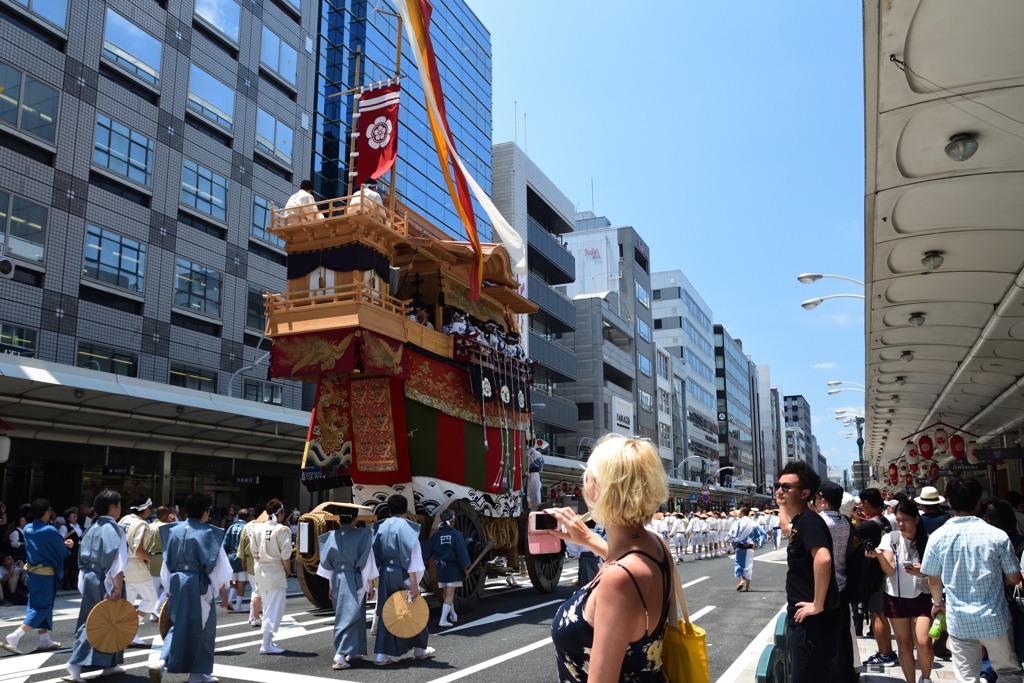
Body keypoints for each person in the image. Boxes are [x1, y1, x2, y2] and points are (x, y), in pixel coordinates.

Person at [544, 434, 672, 682]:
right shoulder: (657, 546)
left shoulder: (618, 581)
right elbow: (627, 564)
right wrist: (588, 539)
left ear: (597, 488)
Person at [921, 477, 1023, 683]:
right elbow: (1014, 578)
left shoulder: (938, 537)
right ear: (978, 503)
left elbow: (933, 579)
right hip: (995, 618)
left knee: (967, 677)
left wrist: (937, 603)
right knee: (1008, 672)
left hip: (959, 620)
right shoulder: (997, 535)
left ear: (948, 501)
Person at [149, 492, 232, 683]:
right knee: (203, 629)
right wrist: (223, 592)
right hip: (199, 584)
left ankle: (162, 662)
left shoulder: (173, 531)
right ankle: (195, 673)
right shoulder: (209, 533)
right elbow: (218, 567)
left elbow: (166, 565)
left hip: (177, 582)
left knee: (178, 625)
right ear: (205, 512)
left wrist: (169, 589)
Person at [776, 460, 840, 683]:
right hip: (808, 622)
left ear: (805, 493)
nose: (779, 490)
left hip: (814, 624)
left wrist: (817, 604)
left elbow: (823, 560)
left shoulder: (809, 522)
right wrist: (782, 504)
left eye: (786, 487)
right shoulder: (800, 521)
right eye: (778, 485)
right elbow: (786, 528)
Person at [64, 489, 128, 683]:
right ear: (112, 507)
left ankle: (109, 664)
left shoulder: (92, 527)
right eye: (118, 505)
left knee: (95, 618)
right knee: (101, 621)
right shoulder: (116, 529)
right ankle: (75, 663)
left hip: (88, 575)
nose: (120, 509)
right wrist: (117, 586)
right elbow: (118, 561)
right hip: (105, 578)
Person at [867, 499, 933, 683]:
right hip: (896, 597)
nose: (901, 524)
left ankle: (926, 679)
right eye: (898, 519)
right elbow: (889, 570)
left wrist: (923, 572)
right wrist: (879, 555)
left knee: (924, 642)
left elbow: (938, 573)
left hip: (923, 596)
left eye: (906, 519)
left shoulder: (928, 540)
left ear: (917, 519)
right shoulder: (891, 538)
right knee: (904, 644)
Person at [3, 499, 73, 654]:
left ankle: (44, 639)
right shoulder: (50, 530)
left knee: (36, 605)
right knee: (43, 607)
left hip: (32, 573)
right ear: (46, 512)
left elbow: (43, 545)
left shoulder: (27, 528)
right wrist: (67, 546)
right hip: (45, 574)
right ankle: (15, 636)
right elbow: (61, 551)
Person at [371, 495, 434, 665]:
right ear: (405, 510)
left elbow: (373, 554)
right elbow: (413, 559)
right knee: (413, 609)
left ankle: (381, 654)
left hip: (384, 572)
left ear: (389, 510)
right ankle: (420, 649)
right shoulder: (409, 528)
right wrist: (414, 584)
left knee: (386, 611)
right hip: (402, 573)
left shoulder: (380, 526)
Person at [316, 505, 377, 670]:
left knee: (344, 613)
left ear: (339, 519)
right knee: (351, 614)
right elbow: (367, 563)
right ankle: (341, 653)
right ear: (355, 519)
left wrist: (330, 585)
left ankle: (353, 650)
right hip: (354, 577)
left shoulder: (329, 536)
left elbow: (326, 567)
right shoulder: (362, 535)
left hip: (337, 577)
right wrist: (369, 584)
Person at [816, 482, 856, 683]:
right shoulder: (846, 523)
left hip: (824, 588)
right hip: (843, 583)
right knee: (842, 635)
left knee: (825, 639)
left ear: (823, 500)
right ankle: (846, 674)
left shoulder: (819, 522)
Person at [855, 487, 896, 667]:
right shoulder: (884, 521)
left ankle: (884, 653)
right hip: (884, 572)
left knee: (875, 615)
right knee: (881, 615)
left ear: (865, 503)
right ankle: (888, 651)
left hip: (873, 575)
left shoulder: (867, 525)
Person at [251, 500, 292, 654]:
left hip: (262, 570)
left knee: (267, 605)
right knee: (273, 609)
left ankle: (268, 641)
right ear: (279, 513)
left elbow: (254, 552)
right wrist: (287, 570)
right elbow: (286, 555)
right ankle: (266, 644)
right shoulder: (282, 530)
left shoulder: (257, 528)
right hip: (276, 571)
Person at [119, 497, 157, 644]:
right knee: (151, 600)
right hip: (136, 565)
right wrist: (148, 558)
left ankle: (128, 633)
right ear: (145, 509)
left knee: (128, 602)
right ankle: (129, 629)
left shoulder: (123, 520)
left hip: (122, 565)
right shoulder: (141, 524)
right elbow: (139, 550)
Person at [425, 509, 471, 628]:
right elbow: (461, 553)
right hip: (452, 567)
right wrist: (465, 569)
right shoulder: (456, 535)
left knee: (446, 592)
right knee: (450, 593)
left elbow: (427, 549)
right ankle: (442, 619)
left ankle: (453, 615)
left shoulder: (436, 536)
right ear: (453, 520)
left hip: (440, 567)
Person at [237, 503, 264, 627]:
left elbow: (242, 545)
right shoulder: (264, 527)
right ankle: (254, 616)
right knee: (259, 590)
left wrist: (243, 561)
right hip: (263, 560)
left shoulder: (247, 527)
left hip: (249, 559)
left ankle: (253, 616)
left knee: (255, 588)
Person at [147, 506, 174, 621]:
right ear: (164, 516)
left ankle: (152, 611)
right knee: (169, 588)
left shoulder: (148, 526)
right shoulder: (165, 527)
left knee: (153, 588)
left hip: (149, 557)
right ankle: (156, 609)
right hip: (162, 558)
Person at [729, 506, 760, 592]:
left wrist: (733, 543)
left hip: (740, 546)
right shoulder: (753, 523)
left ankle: (741, 580)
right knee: (749, 565)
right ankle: (748, 586)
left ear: (742, 513)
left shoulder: (737, 523)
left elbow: (732, 534)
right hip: (750, 546)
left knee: (738, 563)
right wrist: (755, 542)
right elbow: (759, 534)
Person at [223, 509, 248, 612]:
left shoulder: (231, 527)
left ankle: (229, 600)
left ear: (238, 516)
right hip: (241, 556)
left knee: (234, 581)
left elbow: (225, 543)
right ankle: (238, 605)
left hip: (231, 556)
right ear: (247, 518)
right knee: (242, 581)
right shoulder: (246, 527)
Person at [526, 439, 547, 510]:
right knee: (537, 490)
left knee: (530, 491)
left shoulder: (527, 452)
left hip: (529, 473)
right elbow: (542, 463)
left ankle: (530, 506)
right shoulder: (537, 453)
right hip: (536, 473)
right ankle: (537, 505)